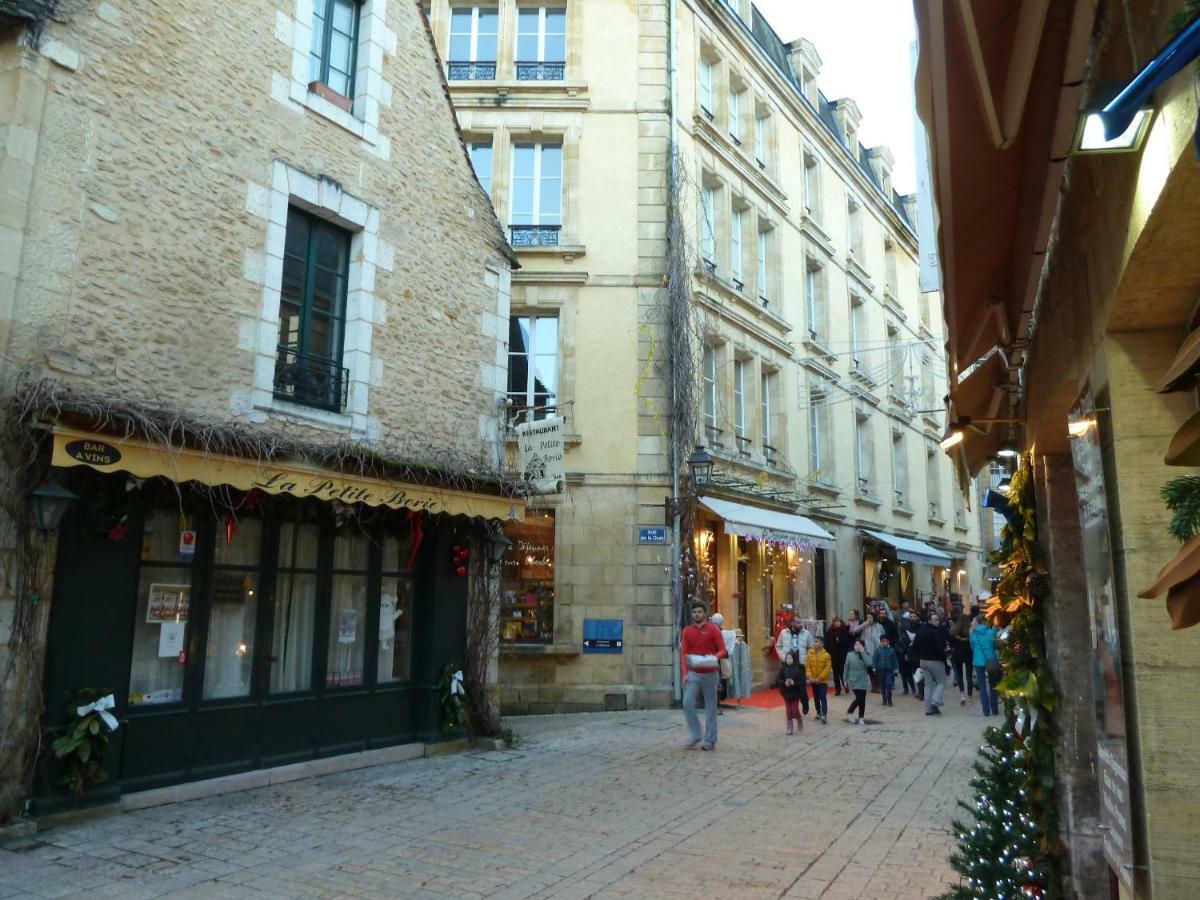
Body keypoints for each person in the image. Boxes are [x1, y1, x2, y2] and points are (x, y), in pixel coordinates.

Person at [681, 601, 727, 750]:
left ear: (705, 614)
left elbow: (723, 650)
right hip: (693, 673)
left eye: (699, 612)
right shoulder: (687, 631)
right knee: (687, 703)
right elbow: (683, 654)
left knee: (710, 708)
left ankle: (710, 740)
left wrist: (714, 657)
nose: (697, 614)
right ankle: (695, 734)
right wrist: (684, 673)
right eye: (694, 612)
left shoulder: (714, 630)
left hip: (710, 673)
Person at [774, 615, 814, 715]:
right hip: (787, 663)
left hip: (800, 664)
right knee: (789, 686)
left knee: (802, 687)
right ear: (792, 623)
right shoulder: (784, 633)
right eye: (798, 622)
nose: (801, 624)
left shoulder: (806, 633)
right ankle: (791, 708)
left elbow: (810, 647)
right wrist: (783, 657)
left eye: (801, 622)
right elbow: (778, 646)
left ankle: (805, 702)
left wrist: (806, 658)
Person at [914, 612, 949, 715]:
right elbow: (939, 648)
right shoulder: (936, 632)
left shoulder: (920, 631)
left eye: (938, 619)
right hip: (935, 661)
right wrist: (944, 656)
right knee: (941, 682)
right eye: (935, 620)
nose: (938, 622)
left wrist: (919, 657)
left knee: (928, 685)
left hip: (923, 661)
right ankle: (934, 703)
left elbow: (914, 645)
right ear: (929, 621)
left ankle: (928, 708)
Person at [970, 614, 1001, 717]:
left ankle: (986, 711)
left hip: (978, 661)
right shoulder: (992, 632)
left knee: (982, 686)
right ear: (985, 621)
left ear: (978, 622)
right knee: (993, 684)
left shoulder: (973, 634)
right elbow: (996, 646)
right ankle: (995, 709)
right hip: (991, 660)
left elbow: (972, 648)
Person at [775, 651, 806, 734]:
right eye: (787, 658)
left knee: (795, 710)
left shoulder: (799, 670)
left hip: (795, 693)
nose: (789, 660)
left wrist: (794, 683)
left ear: (794, 659)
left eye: (791, 658)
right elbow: (778, 680)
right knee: (788, 711)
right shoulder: (783, 669)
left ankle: (799, 720)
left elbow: (802, 682)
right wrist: (784, 683)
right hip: (786, 693)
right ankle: (789, 728)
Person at [843, 639, 870, 725]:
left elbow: (869, 663)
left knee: (862, 701)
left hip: (863, 680)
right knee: (859, 699)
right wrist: (845, 680)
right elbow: (846, 668)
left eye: (859, 644)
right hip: (853, 680)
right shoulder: (849, 655)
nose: (857, 646)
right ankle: (850, 712)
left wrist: (862, 652)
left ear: (863, 646)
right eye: (856, 644)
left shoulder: (866, 654)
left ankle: (861, 717)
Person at [949, 612, 974, 705]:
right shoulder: (970, 632)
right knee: (969, 676)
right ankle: (970, 696)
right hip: (968, 654)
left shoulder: (953, 631)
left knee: (959, 675)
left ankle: (962, 695)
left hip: (957, 654)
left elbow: (951, 644)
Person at [806, 636, 832, 723]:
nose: (814, 643)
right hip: (813, 680)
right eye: (814, 641)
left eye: (816, 642)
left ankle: (824, 715)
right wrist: (810, 677)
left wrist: (819, 678)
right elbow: (808, 666)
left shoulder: (826, 655)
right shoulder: (810, 654)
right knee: (816, 697)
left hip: (822, 681)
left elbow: (827, 669)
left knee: (822, 697)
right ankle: (818, 712)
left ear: (822, 644)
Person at [825, 616, 851, 696]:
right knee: (835, 673)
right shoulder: (829, 631)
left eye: (838, 621)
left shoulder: (844, 631)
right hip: (833, 655)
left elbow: (848, 643)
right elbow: (826, 643)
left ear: (841, 622)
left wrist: (839, 641)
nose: (836, 623)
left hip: (842, 654)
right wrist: (828, 651)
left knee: (842, 672)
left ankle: (845, 685)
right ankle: (837, 689)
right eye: (835, 621)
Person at [872, 634, 899, 706]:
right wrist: (874, 667)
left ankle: (889, 700)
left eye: (886, 641)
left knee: (889, 684)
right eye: (883, 641)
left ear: (888, 642)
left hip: (889, 670)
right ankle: (884, 699)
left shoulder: (891, 650)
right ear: (880, 642)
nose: (885, 643)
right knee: (883, 685)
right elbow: (874, 659)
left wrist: (896, 669)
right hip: (880, 670)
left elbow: (894, 660)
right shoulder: (877, 650)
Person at [896, 614, 918, 696]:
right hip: (902, 659)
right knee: (903, 676)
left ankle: (912, 688)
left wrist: (906, 651)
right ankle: (906, 689)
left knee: (909, 676)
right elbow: (897, 648)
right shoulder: (900, 639)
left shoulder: (908, 633)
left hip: (908, 658)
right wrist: (901, 651)